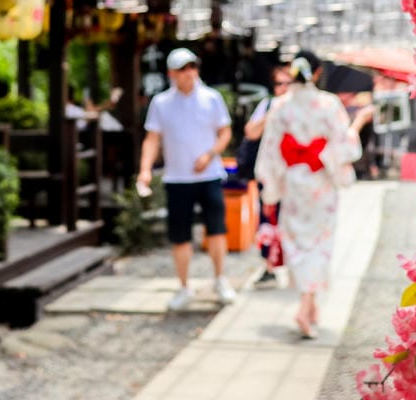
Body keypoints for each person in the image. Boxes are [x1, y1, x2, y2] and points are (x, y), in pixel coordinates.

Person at [255, 50, 367, 338]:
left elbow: (270, 151)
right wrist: (325, 155)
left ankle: (311, 304)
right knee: (319, 243)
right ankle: (306, 307)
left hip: (293, 182)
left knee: (298, 242)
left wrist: (271, 190)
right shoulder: (328, 105)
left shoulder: (280, 107)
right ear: (317, 73)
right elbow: (347, 145)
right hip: (321, 182)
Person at [137, 47, 237, 310]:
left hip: (210, 175)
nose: (189, 73)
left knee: (216, 230)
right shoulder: (161, 103)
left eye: (192, 67)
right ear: (172, 73)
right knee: (180, 236)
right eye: (183, 69)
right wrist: (145, 169)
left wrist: (210, 154)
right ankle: (183, 287)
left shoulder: (211, 98)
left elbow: (225, 133)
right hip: (177, 178)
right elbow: (152, 139)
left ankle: (220, 278)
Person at [238, 62, 292, 285]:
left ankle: (293, 265)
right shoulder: (269, 105)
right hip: (270, 172)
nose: (284, 88)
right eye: (279, 84)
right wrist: (271, 114)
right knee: (268, 218)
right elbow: (250, 132)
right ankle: (269, 264)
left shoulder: (302, 108)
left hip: (294, 173)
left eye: (288, 83)